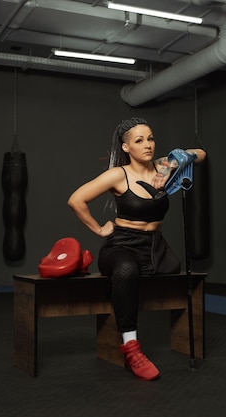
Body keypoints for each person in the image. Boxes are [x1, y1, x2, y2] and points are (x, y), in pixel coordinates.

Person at [67, 117, 206, 380]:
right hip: (121, 246)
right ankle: (131, 347)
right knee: (126, 270)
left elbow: (201, 155)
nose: (148, 145)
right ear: (126, 147)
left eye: (151, 138)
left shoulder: (163, 166)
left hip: (155, 247)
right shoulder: (118, 175)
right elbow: (76, 199)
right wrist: (99, 229)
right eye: (139, 140)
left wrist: (174, 161)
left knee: (173, 268)